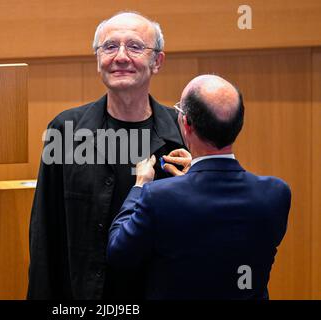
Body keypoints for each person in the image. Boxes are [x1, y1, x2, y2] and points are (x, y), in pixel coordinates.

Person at [27, 11, 187, 299]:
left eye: (135, 47)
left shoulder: (184, 129)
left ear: (157, 62)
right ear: (98, 60)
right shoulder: (65, 130)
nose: (121, 57)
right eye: (110, 47)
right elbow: (45, 233)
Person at [107, 75, 292, 299]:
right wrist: (194, 174)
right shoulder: (276, 194)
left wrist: (139, 186)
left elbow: (119, 253)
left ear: (186, 123)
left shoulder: (157, 197)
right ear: (239, 124)